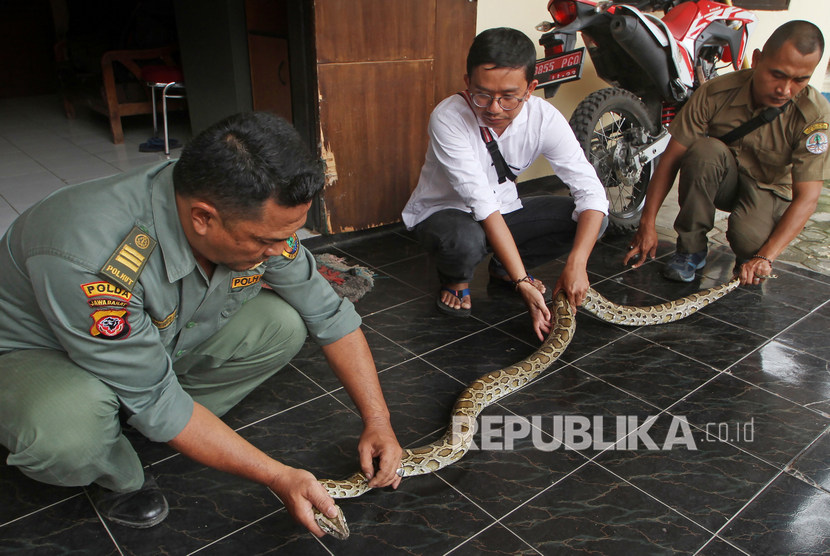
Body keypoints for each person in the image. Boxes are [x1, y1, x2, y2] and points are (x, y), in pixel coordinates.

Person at [0, 112, 402, 537]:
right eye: (266, 241)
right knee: (68, 433)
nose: (281, 250)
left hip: (149, 344)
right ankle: (116, 471)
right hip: (38, 353)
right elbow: (154, 396)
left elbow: (330, 316)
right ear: (203, 218)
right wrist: (277, 475)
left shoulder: (252, 217)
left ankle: (163, 422)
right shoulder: (92, 256)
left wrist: (378, 420)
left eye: (290, 235)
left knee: (282, 325)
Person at [401, 27, 609, 341]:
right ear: (467, 82)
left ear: (530, 89)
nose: (494, 108)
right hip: (445, 213)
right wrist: (523, 281)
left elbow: (590, 191)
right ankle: (455, 279)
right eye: (482, 94)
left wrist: (577, 264)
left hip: (504, 209)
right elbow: (480, 202)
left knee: (589, 221)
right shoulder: (448, 118)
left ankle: (503, 267)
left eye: (509, 97)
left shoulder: (545, 120)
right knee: (464, 239)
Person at [625, 20, 830, 285]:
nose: (785, 90)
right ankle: (691, 249)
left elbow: (808, 198)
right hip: (723, 177)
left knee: (750, 244)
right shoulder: (715, 93)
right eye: (777, 75)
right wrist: (647, 223)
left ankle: (750, 253)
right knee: (703, 150)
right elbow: (671, 159)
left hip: (768, 189)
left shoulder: (814, 115)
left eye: (800, 80)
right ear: (756, 59)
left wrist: (766, 256)